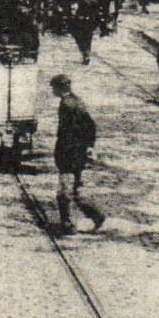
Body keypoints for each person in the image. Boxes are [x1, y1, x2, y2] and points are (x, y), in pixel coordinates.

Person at [51, 74, 105, 233]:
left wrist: (64, 153)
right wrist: (89, 146)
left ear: (59, 88)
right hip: (77, 153)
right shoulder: (77, 101)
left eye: (54, 87)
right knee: (73, 190)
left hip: (69, 154)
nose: (53, 90)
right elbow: (90, 125)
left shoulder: (67, 105)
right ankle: (96, 216)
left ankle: (68, 225)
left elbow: (68, 132)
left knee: (64, 192)